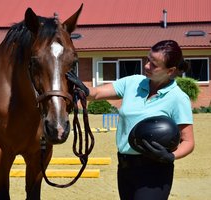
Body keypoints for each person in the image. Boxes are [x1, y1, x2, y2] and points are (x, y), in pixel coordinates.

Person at [67, 40, 195, 200]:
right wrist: (81, 88)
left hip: (155, 171)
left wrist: (171, 157)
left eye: (154, 65)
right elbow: (96, 93)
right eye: (148, 59)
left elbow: (188, 142)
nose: (147, 66)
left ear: (170, 71)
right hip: (125, 169)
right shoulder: (133, 82)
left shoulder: (178, 98)